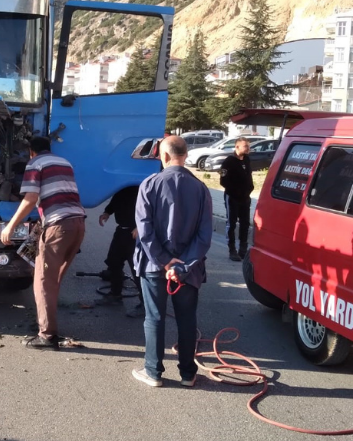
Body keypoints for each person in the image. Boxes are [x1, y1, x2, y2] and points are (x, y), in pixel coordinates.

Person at [131, 136, 213, 387]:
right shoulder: (201, 189)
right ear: (186, 155)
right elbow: (204, 235)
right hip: (188, 270)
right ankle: (188, 374)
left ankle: (153, 372)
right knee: (187, 319)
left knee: (154, 317)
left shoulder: (149, 184)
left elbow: (144, 230)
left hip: (154, 266)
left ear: (163, 156)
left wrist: (166, 262)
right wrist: (182, 265)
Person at [1, 136, 86, 351]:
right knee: (54, 279)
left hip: (59, 227)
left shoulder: (35, 164)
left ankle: (47, 336)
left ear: (31, 151)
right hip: (78, 225)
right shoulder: (64, 162)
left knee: (42, 281)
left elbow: (30, 198)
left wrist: (10, 226)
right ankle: (45, 322)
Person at [95, 186, 141, 310]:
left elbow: (153, 207)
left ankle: (145, 304)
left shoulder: (143, 184)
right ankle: (115, 295)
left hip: (136, 234)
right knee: (114, 262)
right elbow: (117, 199)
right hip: (121, 230)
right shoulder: (123, 185)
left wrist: (141, 226)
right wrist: (107, 212)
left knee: (137, 269)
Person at [220, 137, 254, 262]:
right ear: (237, 147)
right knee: (232, 223)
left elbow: (249, 177)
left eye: (248, 146)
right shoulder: (229, 161)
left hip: (245, 198)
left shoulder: (247, 160)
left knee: (245, 223)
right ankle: (232, 250)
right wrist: (235, 192)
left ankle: (243, 249)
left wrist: (249, 190)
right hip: (232, 197)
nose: (248, 149)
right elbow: (223, 181)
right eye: (245, 146)